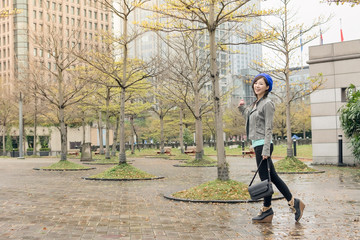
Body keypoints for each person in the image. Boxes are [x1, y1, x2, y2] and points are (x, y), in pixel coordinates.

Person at [238, 73, 305, 223]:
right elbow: (251, 120)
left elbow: (269, 128)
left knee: (266, 179)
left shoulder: (267, 103)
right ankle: (291, 203)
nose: (257, 85)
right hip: (258, 144)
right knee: (271, 177)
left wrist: (266, 150)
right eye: (255, 83)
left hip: (263, 144)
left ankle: (268, 209)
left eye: (261, 84)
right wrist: (242, 108)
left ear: (267, 87)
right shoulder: (256, 103)